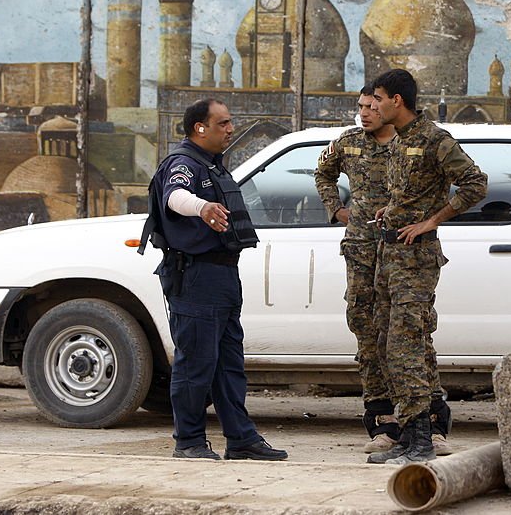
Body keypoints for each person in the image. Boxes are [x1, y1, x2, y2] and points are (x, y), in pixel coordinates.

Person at [314, 87, 454, 456]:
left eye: (372, 106)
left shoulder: (414, 143)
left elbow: (461, 184)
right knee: (367, 329)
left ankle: (430, 421)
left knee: (412, 333)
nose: (365, 113)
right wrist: (337, 209)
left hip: (403, 249)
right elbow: (322, 173)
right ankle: (382, 419)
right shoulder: (348, 143)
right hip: (362, 248)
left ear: (391, 105)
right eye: (360, 107)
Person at [149, 98, 288, 461]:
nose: (230, 129)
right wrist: (203, 207)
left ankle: (241, 440)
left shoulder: (212, 166)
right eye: (223, 123)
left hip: (222, 275)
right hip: (196, 277)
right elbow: (175, 196)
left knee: (228, 365)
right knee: (195, 364)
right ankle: (190, 441)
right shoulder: (183, 164)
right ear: (200, 128)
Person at [365, 69, 487, 465]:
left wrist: (433, 220)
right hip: (389, 255)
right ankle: (409, 435)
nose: (374, 105)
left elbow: (474, 183)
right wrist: (394, 208)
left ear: (396, 101)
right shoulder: (400, 141)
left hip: (414, 261)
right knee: (387, 344)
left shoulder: (434, 139)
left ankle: (420, 440)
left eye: (379, 98)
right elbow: (413, 189)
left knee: (406, 347)